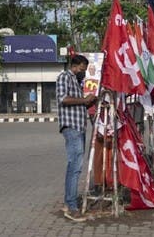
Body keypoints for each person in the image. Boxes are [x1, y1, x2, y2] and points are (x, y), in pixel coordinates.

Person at [56, 54, 98, 222]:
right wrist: (83, 99)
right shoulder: (64, 77)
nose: (83, 72)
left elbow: (78, 102)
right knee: (76, 166)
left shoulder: (76, 81)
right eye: (82, 69)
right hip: (71, 127)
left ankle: (69, 202)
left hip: (79, 127)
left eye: (85, 70)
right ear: (74, 65)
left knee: (74, 165)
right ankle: (72, 206)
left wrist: (90, 101)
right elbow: (63, 99)